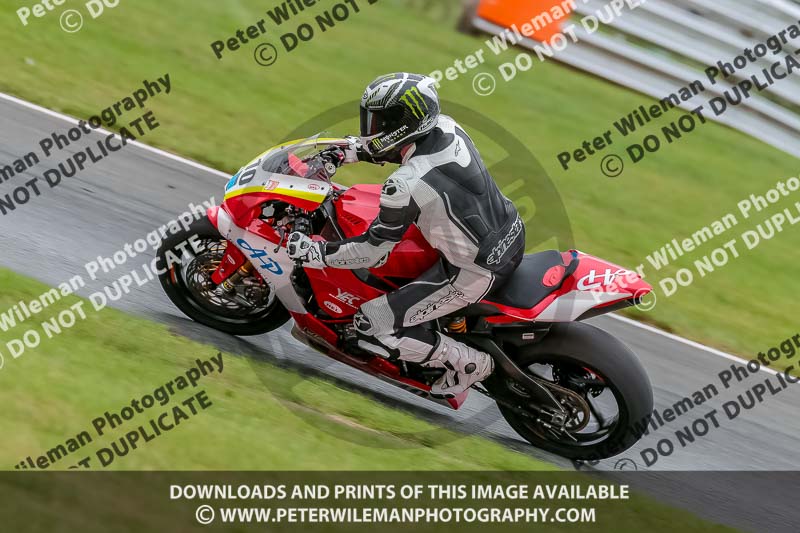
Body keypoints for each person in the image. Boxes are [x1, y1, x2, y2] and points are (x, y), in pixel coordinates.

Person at [287, 72, 525, 397]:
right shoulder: (446, 127)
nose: (370, 128)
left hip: (473, 270)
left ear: (403, 122)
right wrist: (343, 151)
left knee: (371, 325)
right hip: (508, 230)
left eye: (379, 121)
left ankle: (469, 362)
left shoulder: (406, 185)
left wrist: (315, 253)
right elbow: (392, 148)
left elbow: (372, 251)